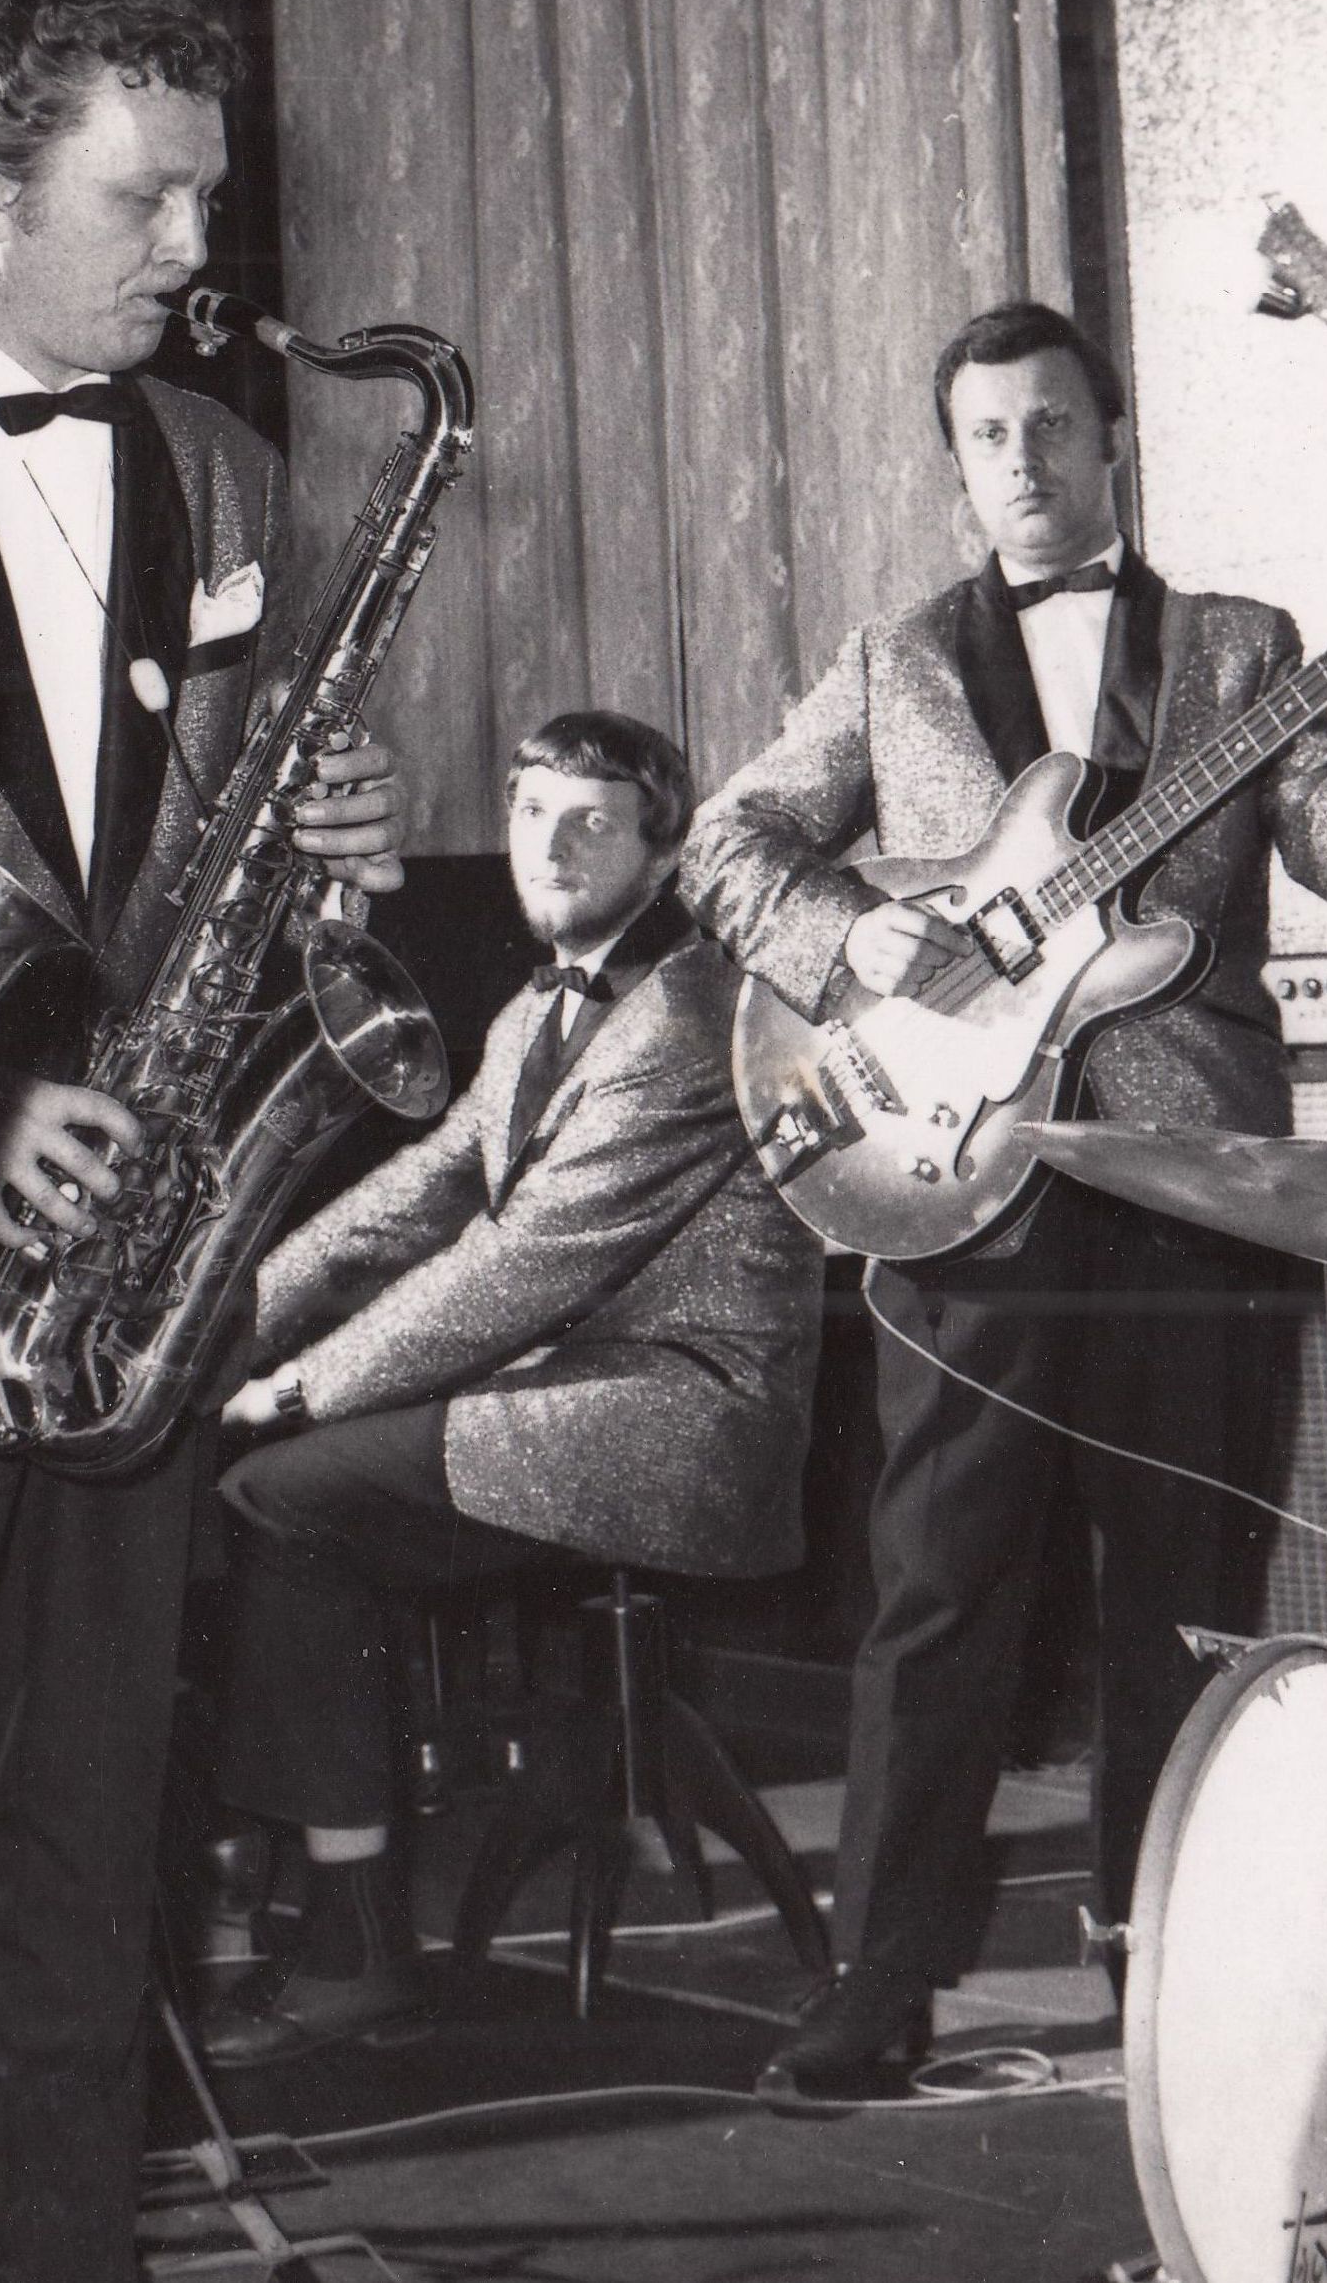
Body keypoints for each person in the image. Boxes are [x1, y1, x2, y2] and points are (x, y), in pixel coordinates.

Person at [677, 301, 1327, 2103]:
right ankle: (878, 1979)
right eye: (986, 434)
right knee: (935, 1585)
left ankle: (1168, 1961)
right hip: (957, 1172)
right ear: (955, 464)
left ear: (1113, 438)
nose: (1021, 461)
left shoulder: (1240, 644)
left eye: (1051, 424)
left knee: (1179, 1590)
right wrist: (858, 934)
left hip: (1187, 1175)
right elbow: (727, 841)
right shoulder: (893, 659)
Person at [0, 0, 402, 2283]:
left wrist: (335, 855)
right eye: (141, 197)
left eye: (207, 197)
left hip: (128, 1260)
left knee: (82, 1847)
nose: (195, 245)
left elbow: (224, 846)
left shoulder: (217, 466)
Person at [193, 709, 822, 2059]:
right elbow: (403, 1201)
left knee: (279, 1498)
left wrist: (294, 1388)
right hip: (580, 1382)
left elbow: (520, 1260)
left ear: (664, 853)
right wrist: (212, 1325)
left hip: (686, 1410)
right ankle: (312, 1881)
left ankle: (358, 1949)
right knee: (256, 1477)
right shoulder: (535, 1005)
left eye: (595, 820)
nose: (553, 843)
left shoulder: (689, 1006)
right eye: (534, 811)